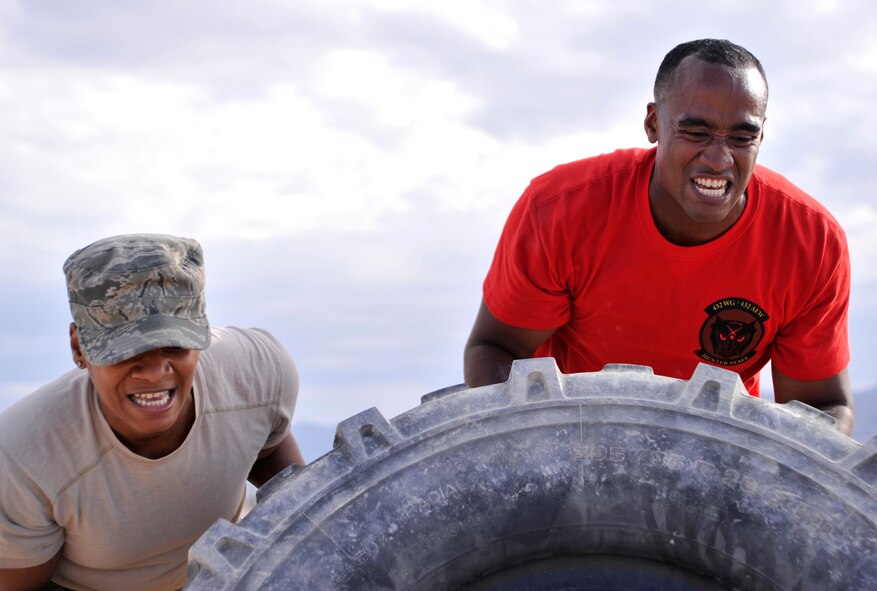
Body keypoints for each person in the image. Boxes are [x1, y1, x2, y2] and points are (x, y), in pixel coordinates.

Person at [464, 39, 853, 435]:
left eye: (740, 137)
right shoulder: (559, 209)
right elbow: (495, 350)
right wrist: (552, 451)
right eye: (696, 131)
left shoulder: (811, 243)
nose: (718, 158)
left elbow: (821, 406)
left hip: (718, 456)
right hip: (574, 445)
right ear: (653, 124)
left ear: (761, 136)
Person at [0, 234, 305, 591]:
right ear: (79, 347)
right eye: (126, 350)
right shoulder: (26, 455)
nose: (155, 370)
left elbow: (302, 511)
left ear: (201, 334)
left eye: (174, 345)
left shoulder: (257, 375)